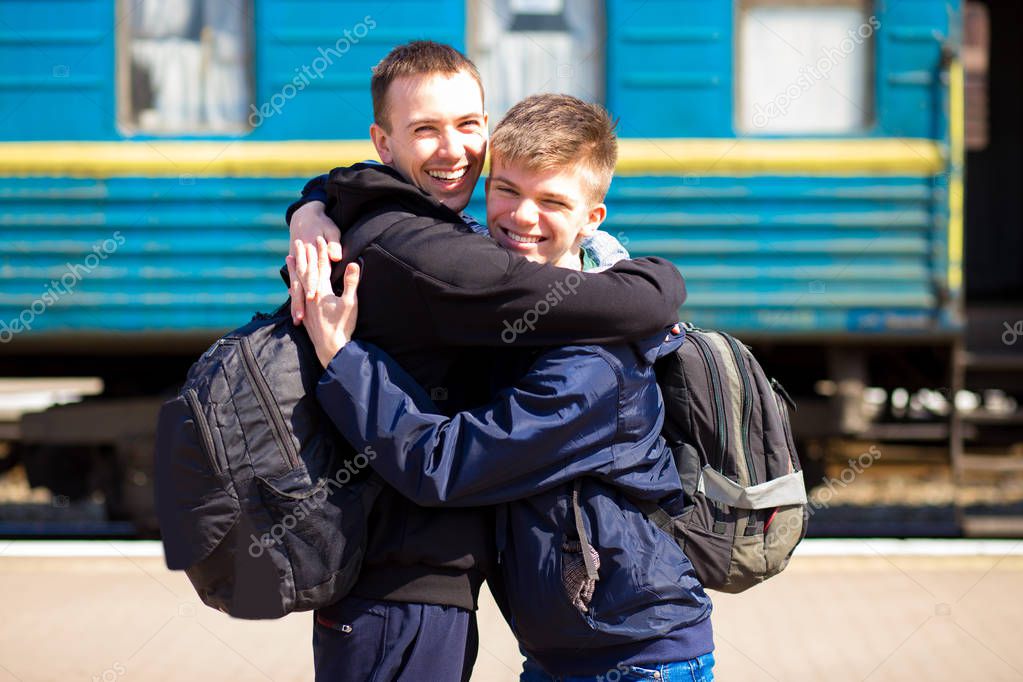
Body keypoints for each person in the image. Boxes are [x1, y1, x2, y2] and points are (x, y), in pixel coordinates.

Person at [283, 41, 687, 681]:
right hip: (491, 621)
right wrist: (312, 206)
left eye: (469, 126)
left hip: (622, 655)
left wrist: (341, 353)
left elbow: (440, 462)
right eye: (506, 190)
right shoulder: (449, 253)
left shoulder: (584, 364)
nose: (520, 217)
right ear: (384, 143)